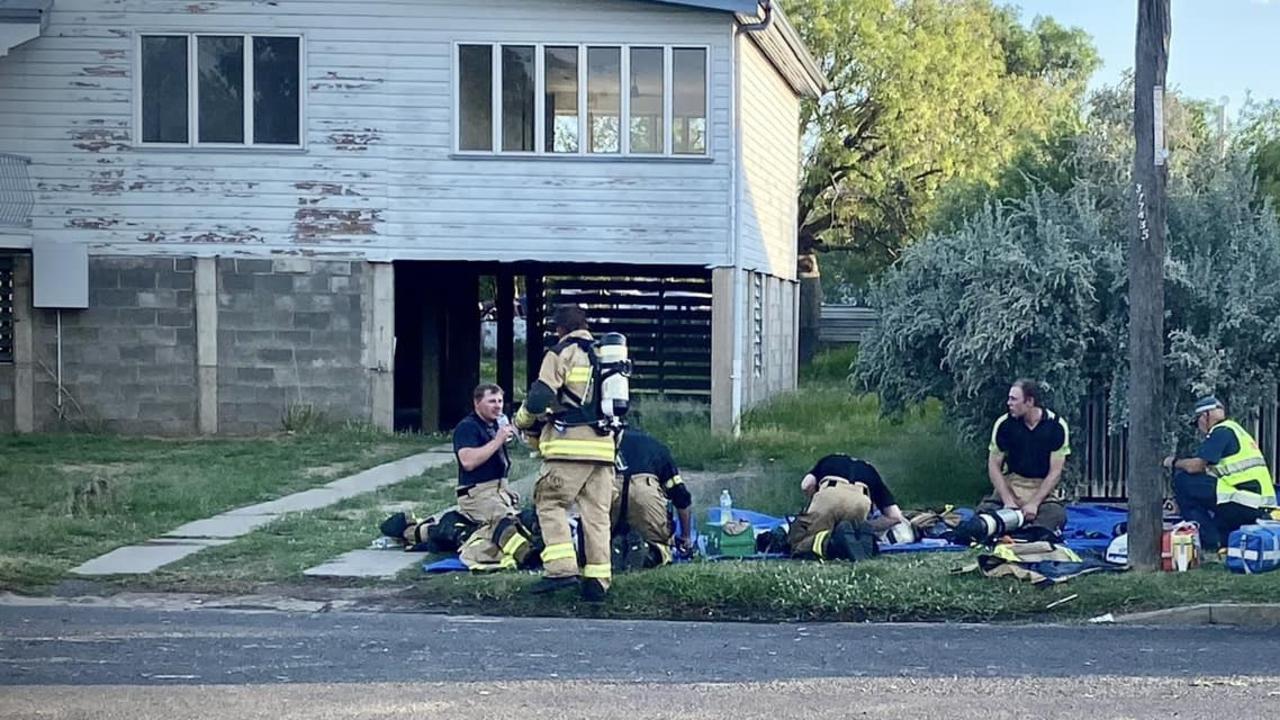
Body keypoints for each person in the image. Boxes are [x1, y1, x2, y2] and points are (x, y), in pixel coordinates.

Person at [514, 305, 617, 602]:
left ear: (559, 329)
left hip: (569, 448)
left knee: (549, 502)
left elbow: (538, 399)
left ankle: (561, 570)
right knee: (597, 515)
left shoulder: (561, 352)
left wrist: (522, 421)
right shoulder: (605, 355)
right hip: (603, 449)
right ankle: (597, 581)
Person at [382, 384, 537, 570]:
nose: (497, 406)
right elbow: (468, 462)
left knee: (503, 522)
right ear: (477, 403)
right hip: (477, 495)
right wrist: (498, 441)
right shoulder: (467, 427)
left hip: (497, 492)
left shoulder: (495, 425)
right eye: (491, 401)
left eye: (500, 401)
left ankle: (419, 531)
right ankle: (526, 555)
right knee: (504, 524)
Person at [1164, 395, 1276, 552]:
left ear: (1205, 415)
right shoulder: (1237, 431)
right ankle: (1220, 542)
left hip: (1245, 501)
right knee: (1225, 536)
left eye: (1198, 423)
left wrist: (1173, 462)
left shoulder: (1221, 431)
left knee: (1183, 481)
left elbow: (1196, 467)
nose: (1200, 428)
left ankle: (1208, 543)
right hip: (1256, 505)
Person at [982, 379, 1070, 534]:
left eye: (1014, 399)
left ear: (1029, 401)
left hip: (1041, 489)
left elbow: (1055, 472)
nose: (1009, 403)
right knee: (984, 514)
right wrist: (1008, 501)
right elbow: (993, 466)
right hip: (1013, 484)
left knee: (1055, 516)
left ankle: (1028, 531)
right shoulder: (1004, 424)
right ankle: (1010, 524)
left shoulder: (1056, 426)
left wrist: (1034, 504)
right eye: (1009, 398)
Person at [786, 454, 906, 560]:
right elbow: (895, 517)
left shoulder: (829, 460)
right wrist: (867, 526)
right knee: (851, 536)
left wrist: (814, 502)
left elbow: (806, 485)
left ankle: (832, 543)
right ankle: (853, 538)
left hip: (829, 494)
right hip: (861, 500)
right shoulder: (871, 471)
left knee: (801, 543)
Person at [613, 428, 693, 567]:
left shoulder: (608, 442)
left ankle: (611, 551)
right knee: (660, 544)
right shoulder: (657, 447)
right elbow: (681, 497)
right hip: (645, 495)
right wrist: (686, 536)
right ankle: (649, 552)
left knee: (598, 534)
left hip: (611, 491)